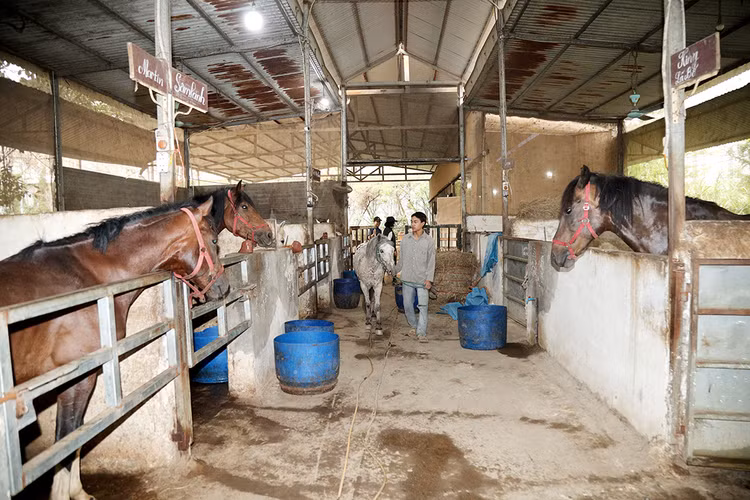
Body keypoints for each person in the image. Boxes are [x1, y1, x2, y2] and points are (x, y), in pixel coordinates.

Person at [394, 212, 435, 343]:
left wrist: (429, 279)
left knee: (423, 306)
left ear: (423, 223)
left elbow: (431, 262)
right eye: (412, 221)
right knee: (407, 305)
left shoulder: (429, 241)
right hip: (407, 279)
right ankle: (414, 326)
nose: (413, 224)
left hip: (422, 280)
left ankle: (421, 333)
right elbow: (401, 260)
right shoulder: (406, 239)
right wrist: (393, 270)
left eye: (415, 221)